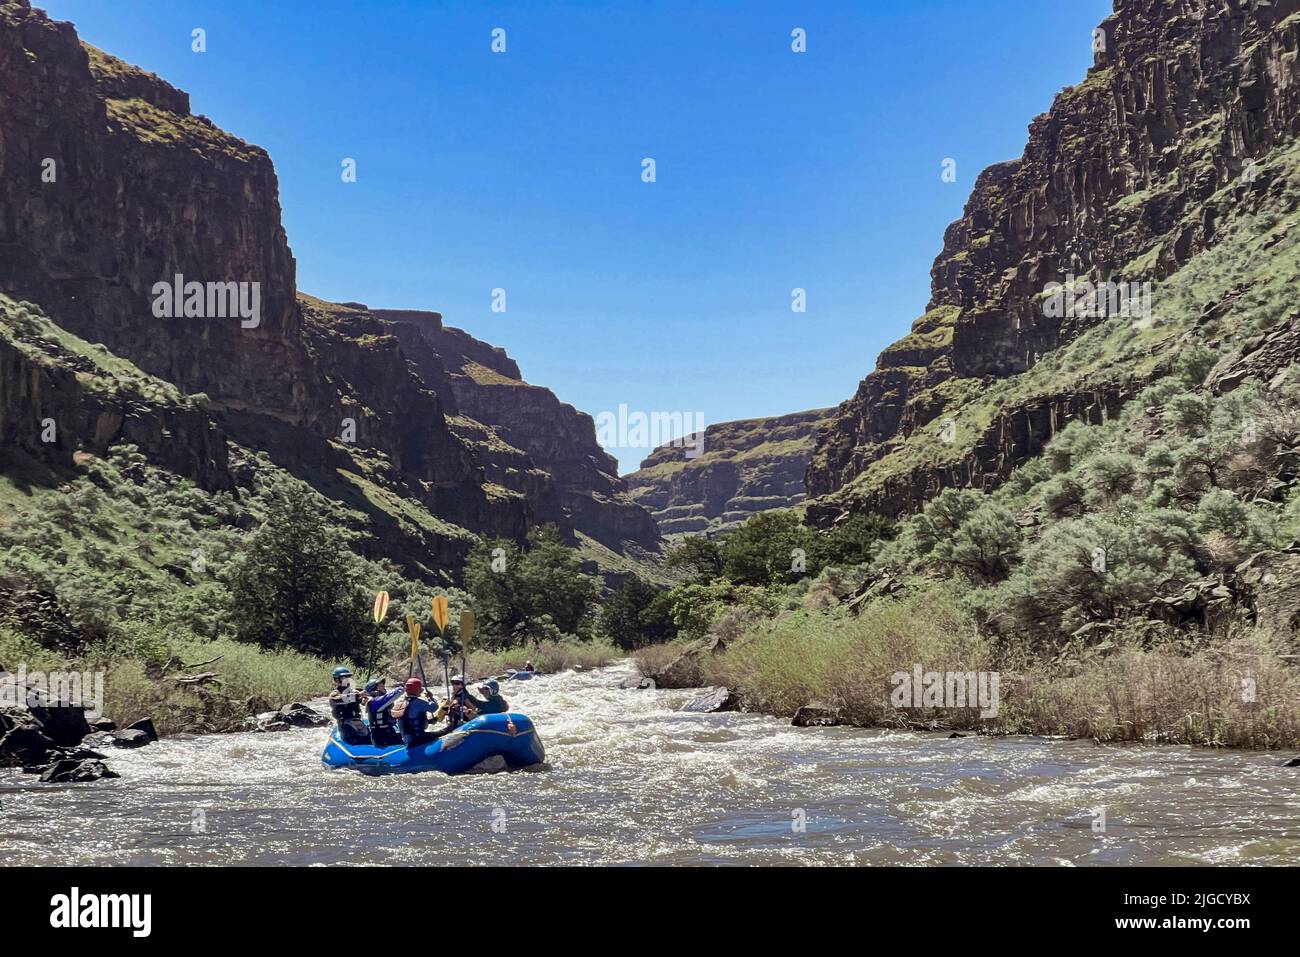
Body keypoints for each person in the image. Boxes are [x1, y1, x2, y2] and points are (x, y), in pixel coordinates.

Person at [393, 677, 442, 748]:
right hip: (417, 738)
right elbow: (434, 707)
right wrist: (430, 697)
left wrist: (428, 721)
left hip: (407, 739)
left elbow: (411, 720)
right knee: (444, 732)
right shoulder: (418, 703)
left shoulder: (400, 703)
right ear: (417, 690)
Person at [328, 666, 369, 745]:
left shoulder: (355, 691)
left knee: (368, 738)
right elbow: (339, 700)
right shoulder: (335, 694)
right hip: (344, 724)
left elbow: (363, 701)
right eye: (344, 677)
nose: (348, 680)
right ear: (337, 680)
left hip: (357, 721)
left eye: (348, 677)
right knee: (354, 740)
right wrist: (358, 695)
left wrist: (365, 700)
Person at [364, 678, 402, 746]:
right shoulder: (376, 701)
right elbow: (396, 693)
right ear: (374, 691)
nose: (384, 687)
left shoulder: (379, 702)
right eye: (381, 686)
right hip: (383, 737)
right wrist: (403, 686)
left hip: (386, 733)